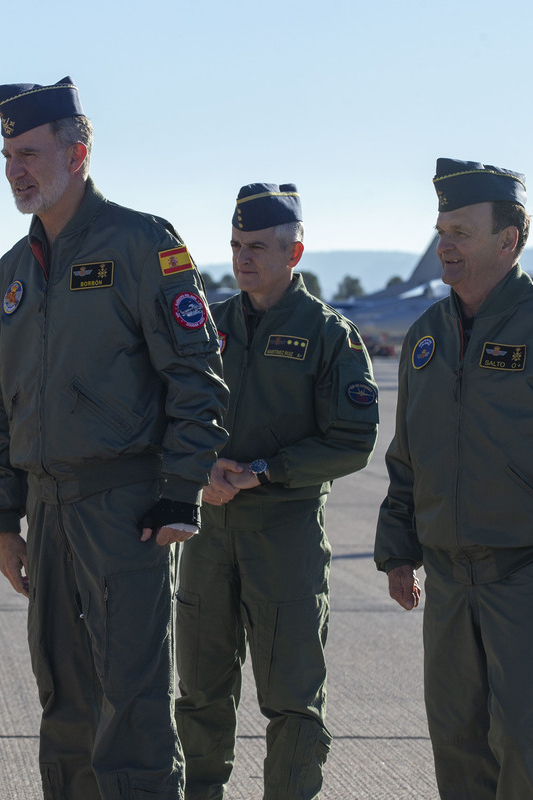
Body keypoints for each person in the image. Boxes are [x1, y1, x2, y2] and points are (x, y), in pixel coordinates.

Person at [0, 76, 228, 799]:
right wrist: (5, 520)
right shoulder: (11, 272)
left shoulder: (141, 242)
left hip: (128, 512)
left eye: (29, 151)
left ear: (78, 153)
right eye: (6, 154)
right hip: (46, 513)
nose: (15, 168)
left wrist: (180, 491)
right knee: (63, 704)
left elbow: (197, 374)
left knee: (134, 709)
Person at [374, 158, 533, 799]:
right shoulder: (427, 334)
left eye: (461, 230)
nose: (445, 246)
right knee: (457, 741)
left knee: (529, 740)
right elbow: (409, 452)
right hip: (450, 577)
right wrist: (398, 547)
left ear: (508, 240)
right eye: (441, 231)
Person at [174, 185, 379, 799]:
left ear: (295, 252)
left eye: (258, 246)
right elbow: (174, 410)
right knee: (201, 691)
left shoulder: (328, 334)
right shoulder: (208, 326)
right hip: (209, 533)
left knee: (291, 700)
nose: (243, 258)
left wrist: (266, 470)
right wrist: (200, 466)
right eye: (236, 246)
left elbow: (353, 439)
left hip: (284, 534)